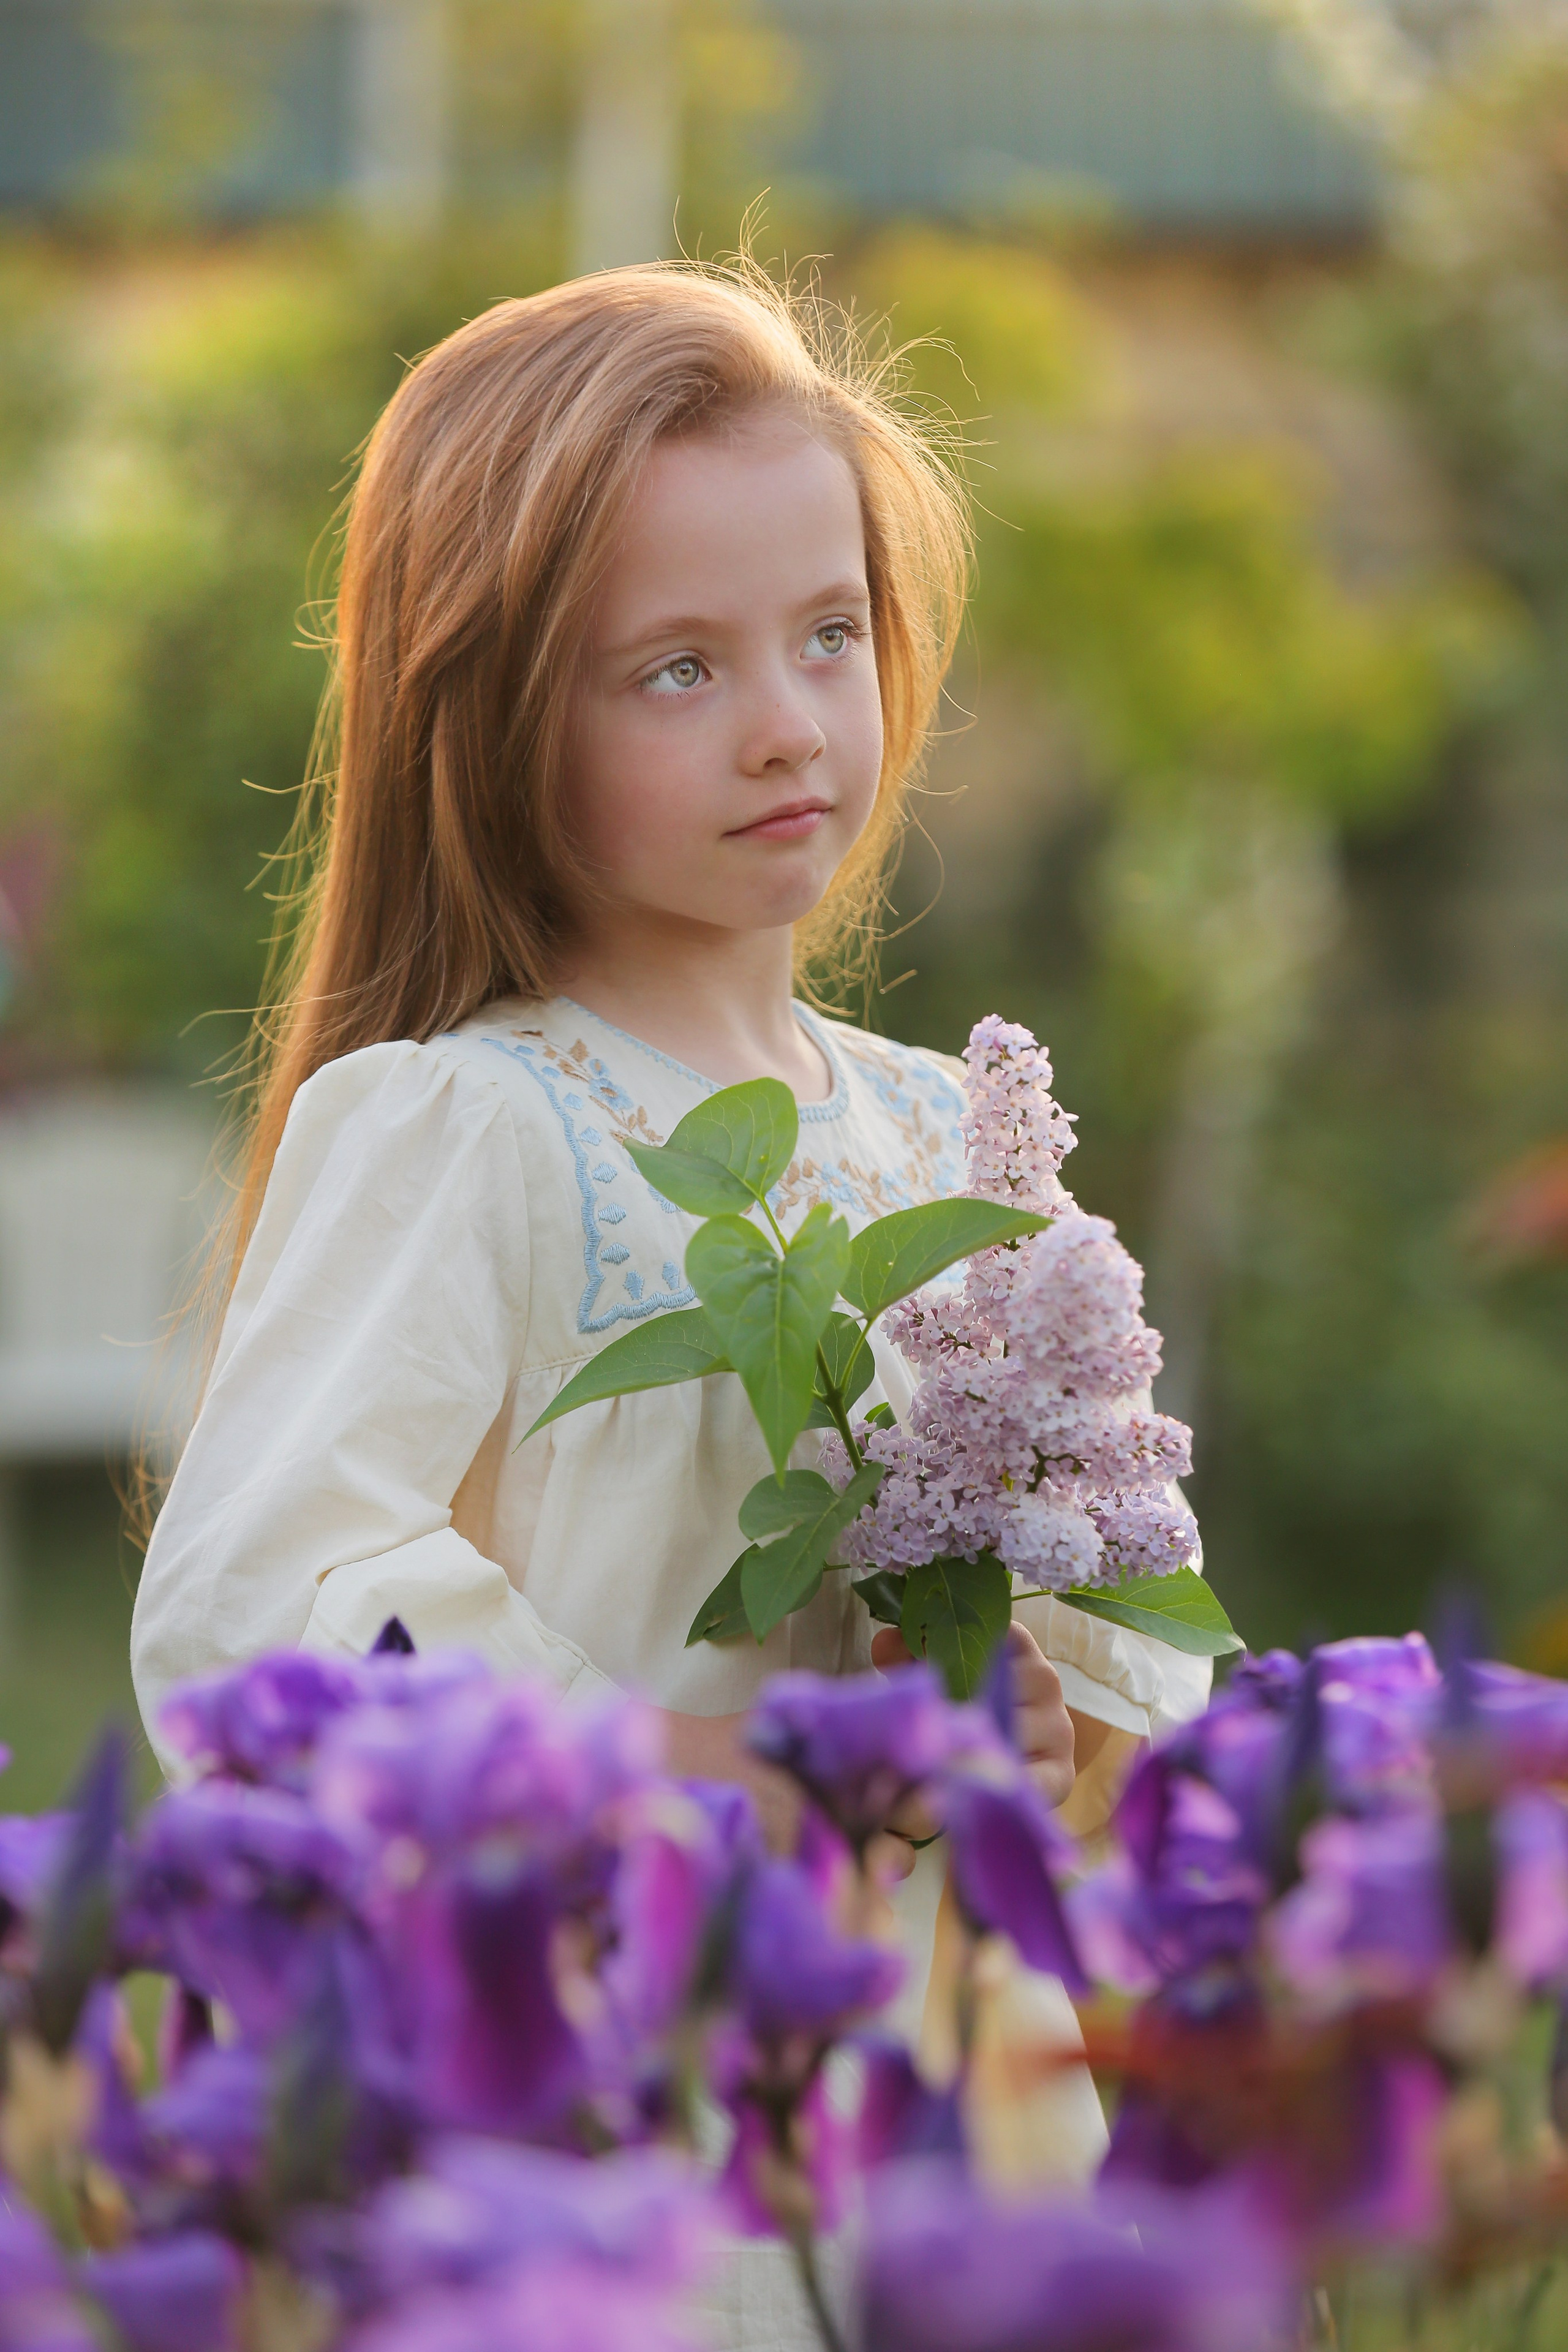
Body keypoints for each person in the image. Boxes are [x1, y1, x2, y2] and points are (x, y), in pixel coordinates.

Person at [129, 263, 1207, 2334]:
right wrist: (674, 1777)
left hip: (942, 2079)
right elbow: (259, 1594)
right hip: (616, 2102)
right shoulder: (470, 1125)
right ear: (492, 711)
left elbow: (1092, 1567)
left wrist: (1076, 1737)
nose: (792, 721)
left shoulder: (950, 1142)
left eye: (828, 632)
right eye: (676, 671)